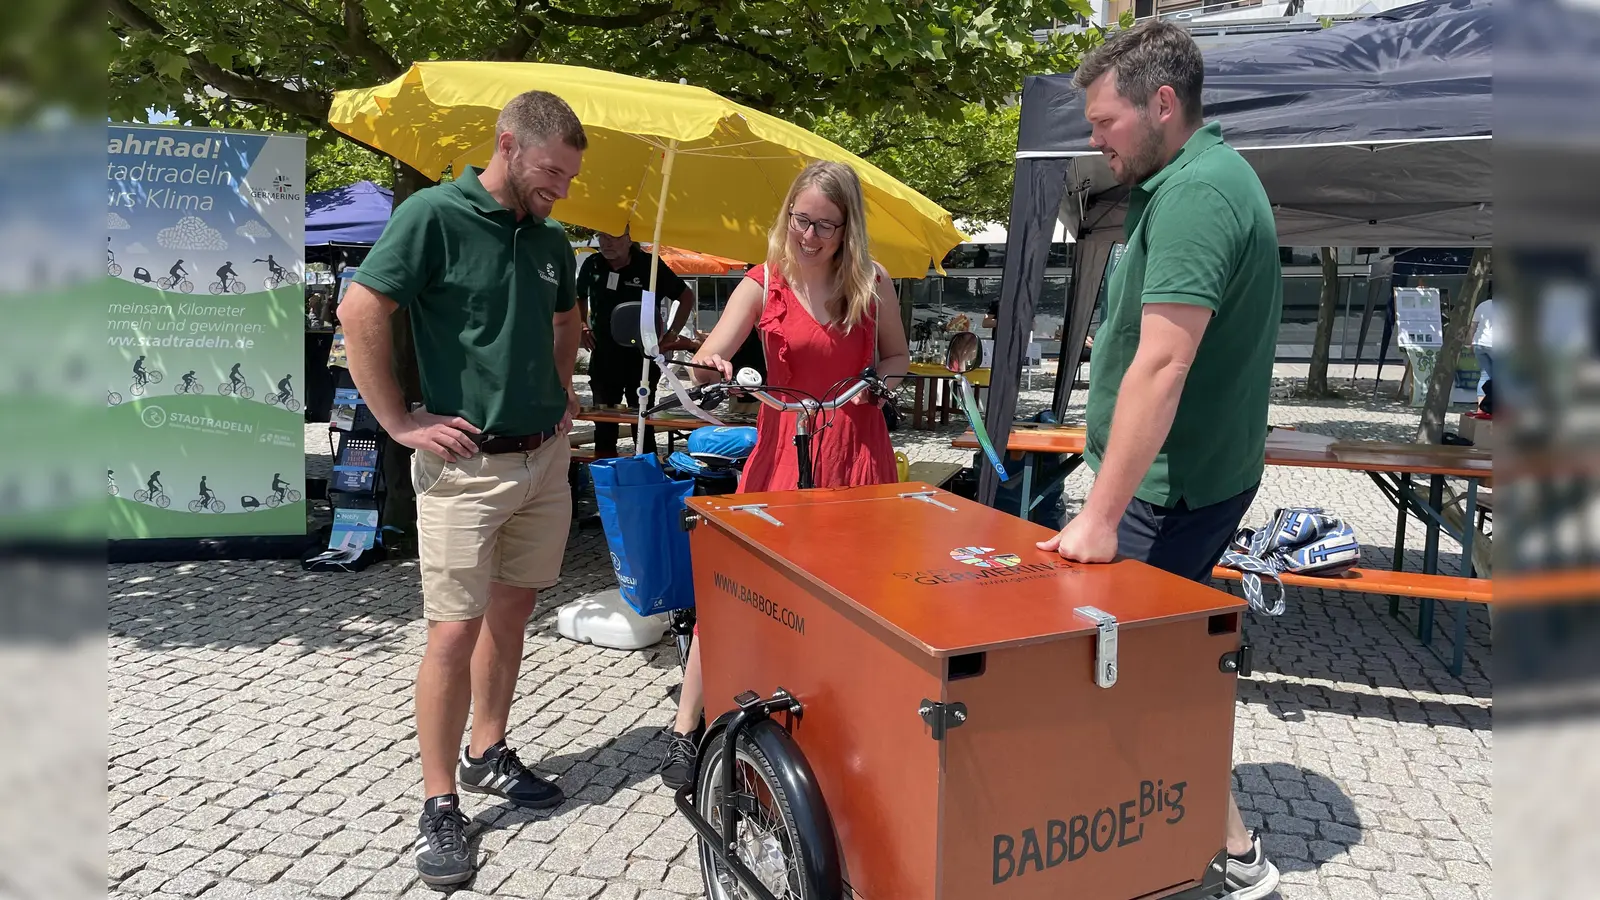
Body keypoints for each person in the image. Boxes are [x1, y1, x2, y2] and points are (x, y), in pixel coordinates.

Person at [1034, 21, 1282, 900]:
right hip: (1172, 481)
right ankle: (1189, 840)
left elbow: (1164, 360)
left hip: (1162, 494)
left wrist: (1101, 515)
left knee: (1123, 674)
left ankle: (1221, 851)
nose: (1095, 141)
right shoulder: (1193, 179)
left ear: (1162, 104)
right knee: (1134, 669)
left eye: (1105, 122)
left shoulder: (1197, 195)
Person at [337, 90, 586, 889]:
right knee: (451, 632)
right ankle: (440, 802)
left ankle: (487, 751)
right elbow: (360, 307)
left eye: (570, 177)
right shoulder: (434, 216)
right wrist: (399, 419)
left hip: (544, 460)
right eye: (551, 172)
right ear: (507, 145)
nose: (561, 190)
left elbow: (564, 320)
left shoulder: (551, 239)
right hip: (465, 468)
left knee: (514, 612)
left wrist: (561, 390)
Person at [656, 160, 910, 790]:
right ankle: (688, 727)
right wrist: (710, 363)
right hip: (781, 450)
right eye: (802, 220)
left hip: (855, 452)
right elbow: (704, 363)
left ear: (848, 226)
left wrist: (884, 386)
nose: (811, 235)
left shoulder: (871, 282)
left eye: (826, 224)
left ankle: (834, 727)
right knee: (739, 588)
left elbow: (898, 357)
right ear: (787, 216)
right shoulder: (763, 280)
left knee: (850, 598)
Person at [576, 228, 695, 456]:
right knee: (604, 422)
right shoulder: (593, 265)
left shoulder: (649, 265)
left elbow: (686, 296)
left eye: (613, 237)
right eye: (602, 237)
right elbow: (578, 296)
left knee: (642, 420)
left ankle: (645, 472)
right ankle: (606, 477)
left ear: (629, 239)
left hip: (642, 357)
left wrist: (671, 335)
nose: (606, 242)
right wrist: (583, 325)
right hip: (604, 356)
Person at [1470, 284, 1495, 399]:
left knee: (1484, 376)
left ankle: (1481, 409)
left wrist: (1468, 342)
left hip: (1479, 344)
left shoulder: (1482, 305)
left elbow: (1473, 326)